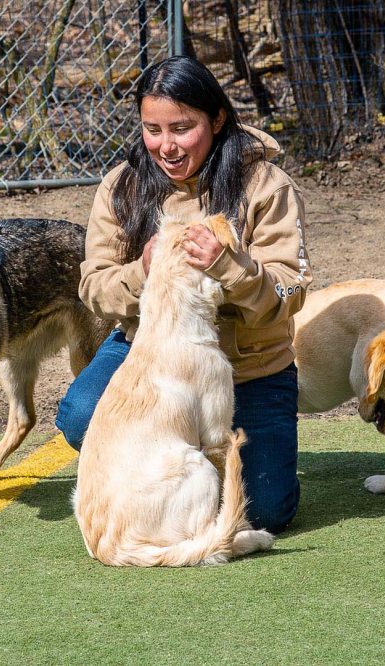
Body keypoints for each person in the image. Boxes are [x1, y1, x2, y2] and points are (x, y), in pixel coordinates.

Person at [55, 56, 311, 534]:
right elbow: (93, 288)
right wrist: (144, 271)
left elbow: (289, 290)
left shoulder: (266, 184)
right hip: (152, 357)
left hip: (249, 366)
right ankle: (159, 470)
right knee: (79, 415)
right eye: (152, 130)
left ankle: (200, 462)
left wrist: (228, 265)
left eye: (182, 128)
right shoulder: (121, 186)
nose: (166, 147)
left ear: (216, 119)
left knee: (266, 511)